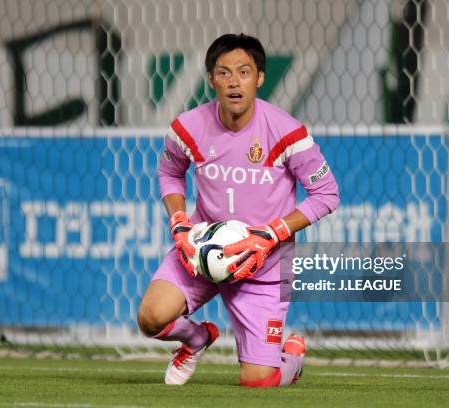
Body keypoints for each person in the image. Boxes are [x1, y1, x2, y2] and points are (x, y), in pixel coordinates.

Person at [137, 33, 339, 387]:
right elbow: (169, 173)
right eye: (224, 72)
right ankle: (196, 339)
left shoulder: (288, 133)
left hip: (265, 263)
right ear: (211, 78)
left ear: (260, 77)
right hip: (201, 251)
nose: (234, 82)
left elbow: (326, 194)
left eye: (244, 72)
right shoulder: (187, 127)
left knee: (259, 382)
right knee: (151, 318)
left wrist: (269, 234)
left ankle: (290, 356)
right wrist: (180, 223)